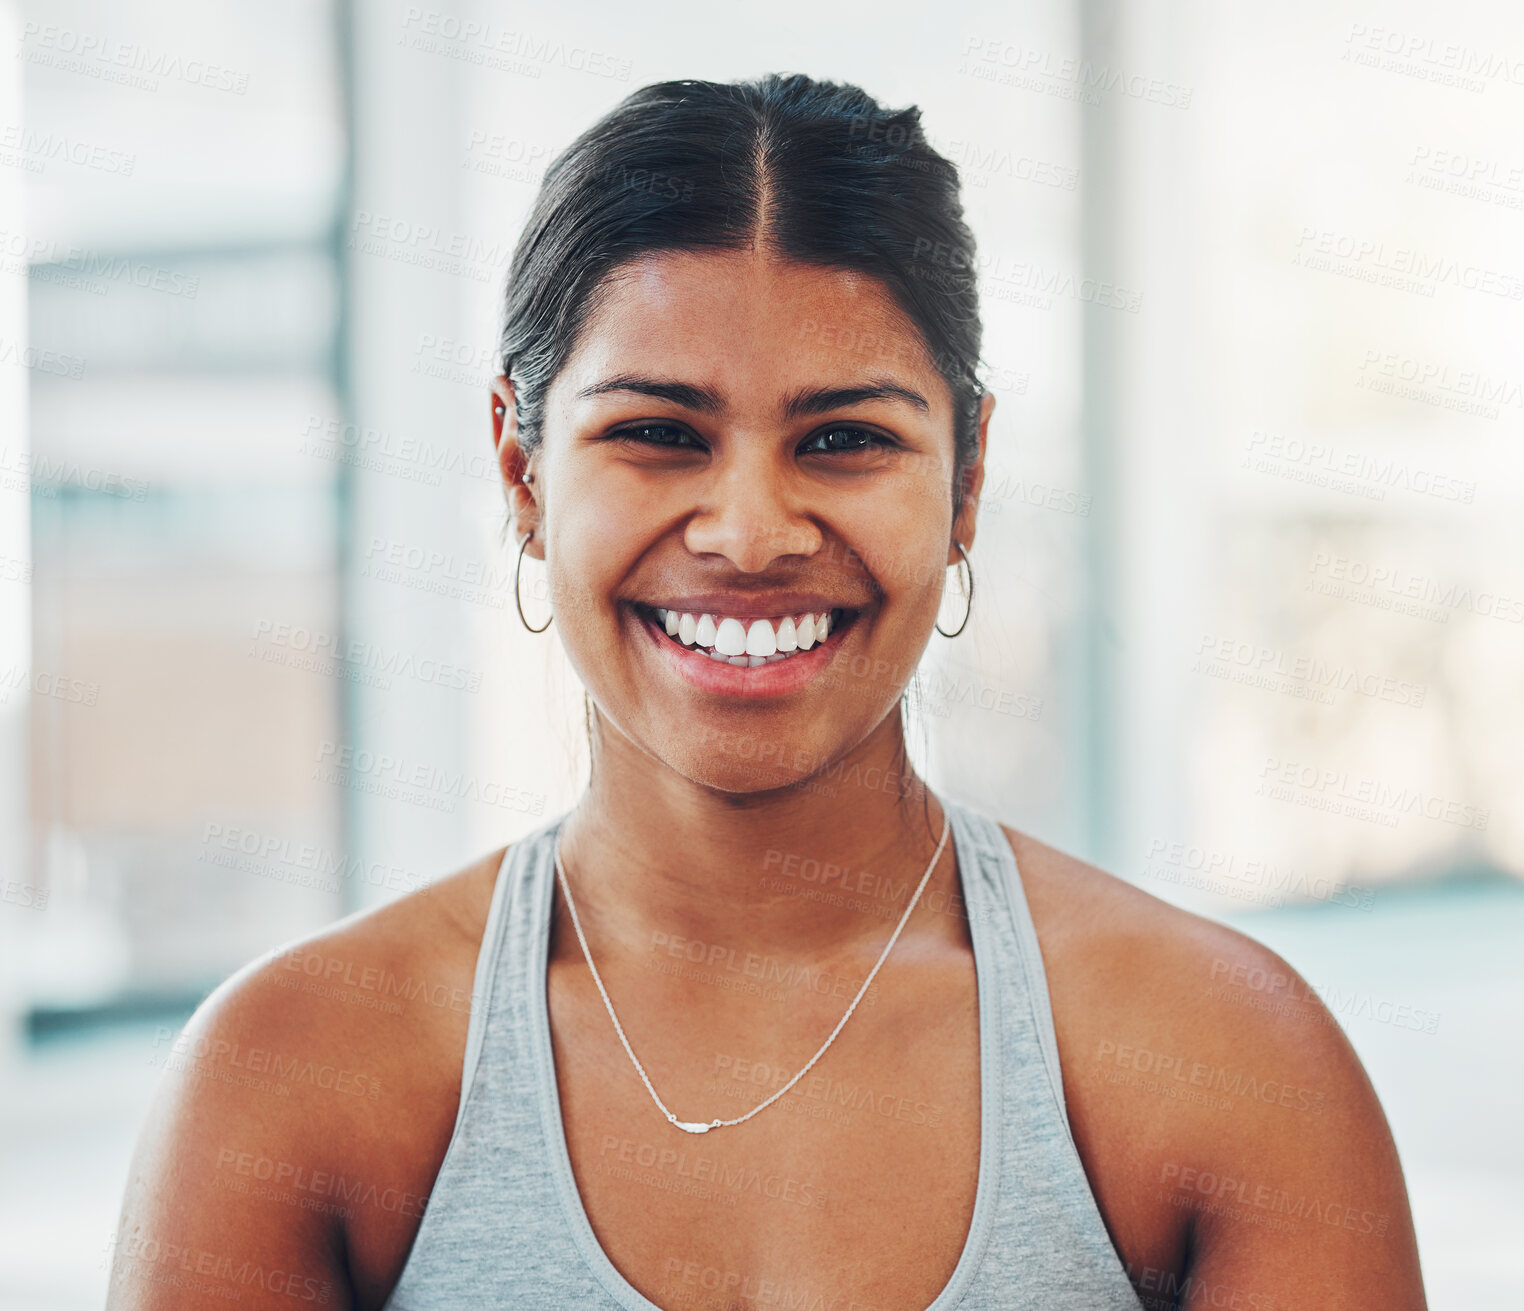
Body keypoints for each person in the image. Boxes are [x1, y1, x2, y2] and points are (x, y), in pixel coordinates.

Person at [108, 73, 1426, 1310]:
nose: (749, 531)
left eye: (844, 439)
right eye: (657, 434)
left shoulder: (1230, 1066)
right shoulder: (287, 1080)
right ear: (520, 471)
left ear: (965, 485)